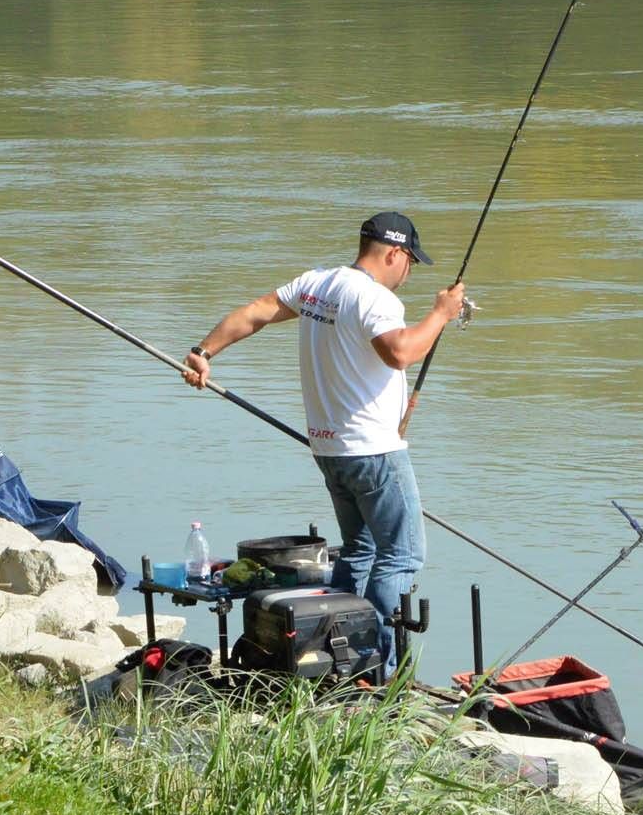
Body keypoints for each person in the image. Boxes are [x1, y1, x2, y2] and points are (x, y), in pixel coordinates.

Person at [182, 212, 465, 670]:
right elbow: (400, 352)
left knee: (360, 551)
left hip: (330, 449)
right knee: (402, 555)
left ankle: (336, 655)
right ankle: (380, 667)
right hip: (373, 453)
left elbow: (255, 312)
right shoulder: (374, 298)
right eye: (411, 261)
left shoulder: (317, 284)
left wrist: (203, 352)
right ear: (394, 253)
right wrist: (441, 314)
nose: (409, 273)